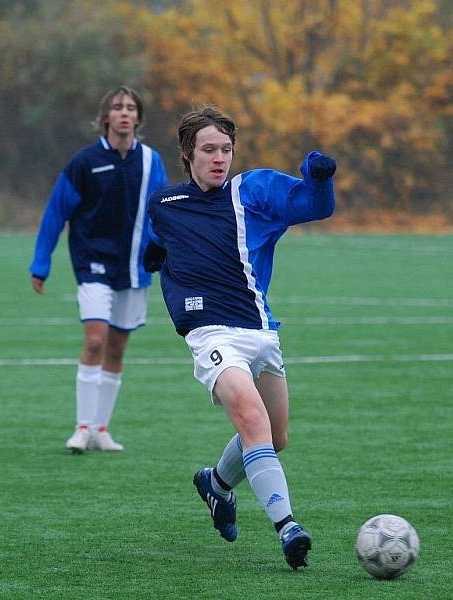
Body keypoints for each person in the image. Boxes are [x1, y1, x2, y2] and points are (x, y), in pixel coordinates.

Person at [144, 106, 337, 569]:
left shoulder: (251, 191)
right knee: (253, 422)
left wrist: (318, 180)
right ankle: (288, 526)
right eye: (209, 149)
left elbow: (313, 205)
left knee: (277, 436)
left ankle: (216, 484)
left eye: (226, 149)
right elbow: (153, 250)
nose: (219, 158)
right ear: (187, 154)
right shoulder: (165, 205)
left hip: (261, 329)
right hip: (211, 333)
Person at [29, 86, 168, 454]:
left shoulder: (152, 162)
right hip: (92, 264)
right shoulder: (85, 162)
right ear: (105, 116)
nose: (124, 113)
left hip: (135, 269)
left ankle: (101, 429)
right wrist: (41, 261)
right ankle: (82, 428)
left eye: (130, 108)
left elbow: (161, 214)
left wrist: (163, 252)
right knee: (95, 341)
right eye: (117, 107)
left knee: (118, 348)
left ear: (138, 117)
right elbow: (56, 210)